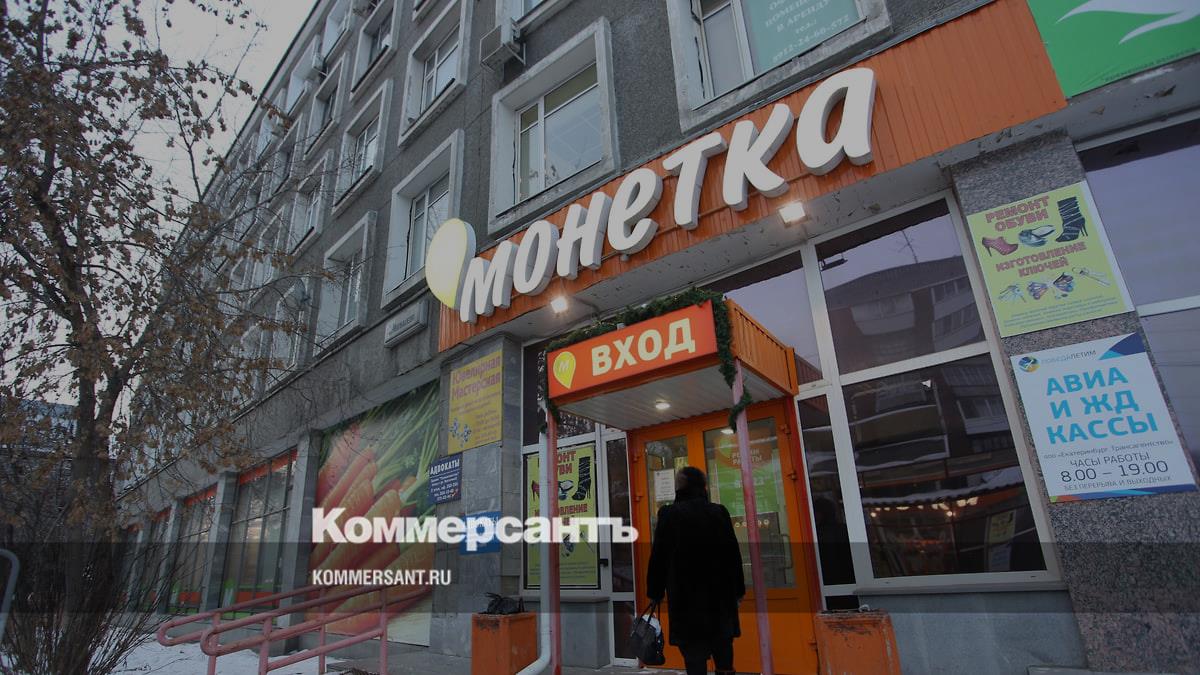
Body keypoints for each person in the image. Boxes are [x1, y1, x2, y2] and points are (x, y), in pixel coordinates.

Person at [646, 466, 745, 675]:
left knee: (694, 659)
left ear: (679, 487)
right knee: (724, 656)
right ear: (703, 486)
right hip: (720, 600)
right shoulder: (718, 512)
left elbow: (659, 557)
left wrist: (655, 592)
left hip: (686, 601)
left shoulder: (669, 514)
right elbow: (733, 554)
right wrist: (738, 590)